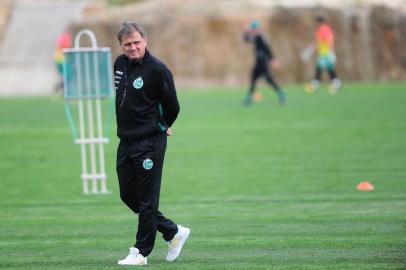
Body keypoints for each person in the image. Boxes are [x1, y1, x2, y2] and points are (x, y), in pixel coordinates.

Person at [114, 21, 190, 266]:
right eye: (128, 44)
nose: (133, 47)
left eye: (137, 42)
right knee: (128, 195)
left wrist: (161, 125)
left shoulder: (157, 70)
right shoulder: (119, 64)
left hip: (149, 142)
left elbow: (173, 106)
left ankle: (141, 252)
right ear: (121, 45)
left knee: (147, 200)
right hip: (125, 141)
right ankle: (172, 231)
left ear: (145, 41)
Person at [242, 20, 287, 106]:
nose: (253, 31)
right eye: (253, 29)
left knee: (269, 79)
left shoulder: (261, 36)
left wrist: (273, 59)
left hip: (263, 62)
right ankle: (249, 98)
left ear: (258, 29)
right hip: (258, 62)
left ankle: (281, 94)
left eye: (254, 29)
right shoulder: (256, 36)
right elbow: (246, 39)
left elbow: (267, 49)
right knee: (253, 78)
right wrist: (246, 31)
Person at [305, 16, 342, 94]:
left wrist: (330, 51)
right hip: (324, 52)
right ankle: (336, 82)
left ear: (319, 22)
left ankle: (315, 85)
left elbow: (325, 40)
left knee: (319, 68)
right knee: (328, 69)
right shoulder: (325, 29)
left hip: (325, 53)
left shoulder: (323, 29)